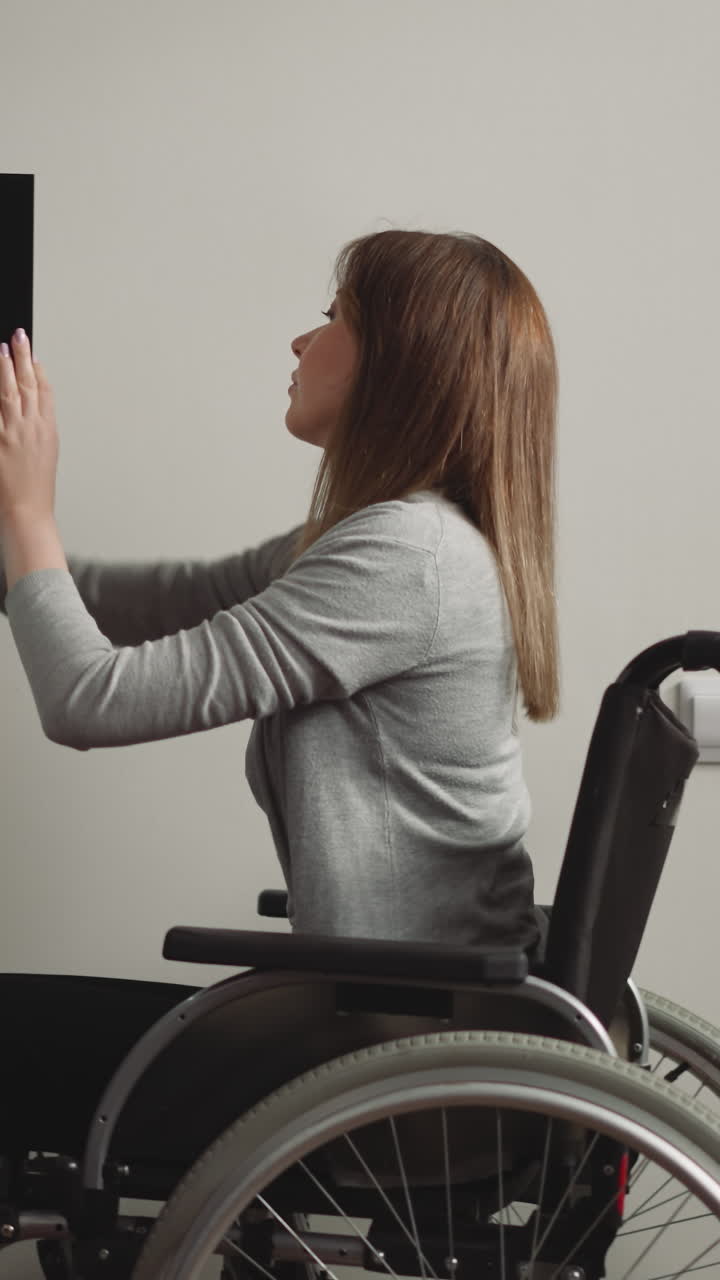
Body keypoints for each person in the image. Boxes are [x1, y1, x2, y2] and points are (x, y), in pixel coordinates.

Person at [0, 228, 558, 950]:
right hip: (406, 990)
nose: (301, 342)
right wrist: (16, 549)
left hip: (402, 1007)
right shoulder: (393, 537)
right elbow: (178, 595)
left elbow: (87, 701)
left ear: (398, 363)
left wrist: (25, 511)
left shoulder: (408, 558)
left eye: (332, 320)